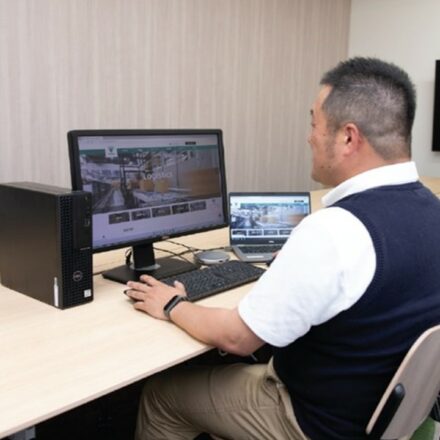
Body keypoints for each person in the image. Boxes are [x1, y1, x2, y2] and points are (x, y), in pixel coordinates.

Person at [125, 57, 440, 440]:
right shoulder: (432, 209)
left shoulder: (336, 230)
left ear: (348, 138)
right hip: (373, 411)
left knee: (161, 396)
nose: (309, 138)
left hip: (311, 420)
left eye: (314, 124)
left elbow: (237, 339)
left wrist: (172, 304)